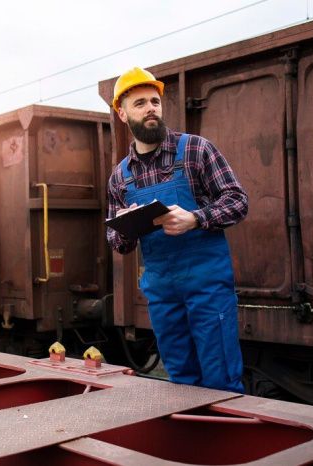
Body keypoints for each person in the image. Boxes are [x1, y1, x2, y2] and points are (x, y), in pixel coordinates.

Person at [106, 67, 248, 393]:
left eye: (154, 101)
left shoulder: (196, 151)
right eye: (139, 103)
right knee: (180, 381)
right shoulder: (121, 177)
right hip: (162, 294)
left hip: (207, 288)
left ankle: (227, 441)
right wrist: (128, 224)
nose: (151, 108)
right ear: (122, 113)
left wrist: (196, 218)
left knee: (221, 379)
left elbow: (238, 201)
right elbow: (116, 241)